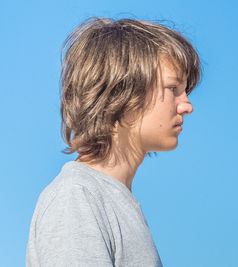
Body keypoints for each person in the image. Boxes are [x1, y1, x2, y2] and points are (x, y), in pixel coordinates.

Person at [26, 16, 201, 266]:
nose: (187, 106)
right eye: (173, 89)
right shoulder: (77, 198)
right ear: (123, 91)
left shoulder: (111, 199)